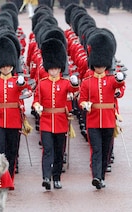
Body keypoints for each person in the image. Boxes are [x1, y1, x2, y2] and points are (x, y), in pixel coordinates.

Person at [79, 31, 126, 189]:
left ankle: (102, 175)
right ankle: (96, 177)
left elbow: (120, 87)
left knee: (106, 150)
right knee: (96, 150)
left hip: (108, 120)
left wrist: (120, 80)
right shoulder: (87, 82)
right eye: (97, 65)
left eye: (102, 65)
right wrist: (85, 105)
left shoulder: (111, 80)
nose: (99, 68)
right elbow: (82, 99)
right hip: (93, 121)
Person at [33, 38, 79, 190]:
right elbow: (36, 99)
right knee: (48, 151)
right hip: (46, 121)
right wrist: (37, 105)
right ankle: (46, 177)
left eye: (56, 69)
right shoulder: (42, 83)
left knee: (59, 152)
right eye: (51, 69)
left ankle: (57, 177)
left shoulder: (65, 83)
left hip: (60, 121)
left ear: (60, 68)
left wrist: (74, 83)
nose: (53, 71)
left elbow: (74, 91)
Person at [0, 36, 30, 178]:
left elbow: (27, 91)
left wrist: (23, 84)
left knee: (12, 151)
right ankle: (0, 177)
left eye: (8, 66)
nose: (5, 68)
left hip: (14, 120)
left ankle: (9, 177)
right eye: (3, 66)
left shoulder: (17, 81)